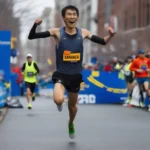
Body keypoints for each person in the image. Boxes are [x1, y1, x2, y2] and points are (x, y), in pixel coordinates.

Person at [28, 5, 115, 138]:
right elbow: (32, 36)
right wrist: (35, 25)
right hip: (61, 74)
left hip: (75, 76)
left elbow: (103, 41)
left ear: (77, 17)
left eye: (74, 14)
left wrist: (110, 35)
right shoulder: (57, 32)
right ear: (64, 17)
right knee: (58, 100)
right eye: (69, 14)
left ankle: (70, 123)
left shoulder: (83, 33)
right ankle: (59, 102)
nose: (72, 16)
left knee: (73, 107)